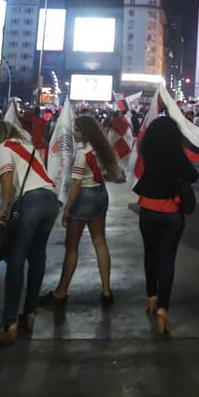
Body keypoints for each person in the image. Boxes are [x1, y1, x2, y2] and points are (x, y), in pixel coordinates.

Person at [0, 121, 60, 344]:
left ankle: (9, 322)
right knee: (37, 256)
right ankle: (29, 313)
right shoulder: (30, 147)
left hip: (30, 202)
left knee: (16, 261)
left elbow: (7, 176)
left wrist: (5, 207)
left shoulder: (3, 148)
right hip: (51, 200)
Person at [133, 115, 198, 336]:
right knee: (167, 259)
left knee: (150, 254)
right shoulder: (176, 153)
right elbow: (193, 175)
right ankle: (163, 308)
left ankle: (151, 296)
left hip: (148, 209)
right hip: (171, 211)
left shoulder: (147, 150)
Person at [44, 115, 120, 304]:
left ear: (85, 132)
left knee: (71, 247)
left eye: (76, 130)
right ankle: (106, 291)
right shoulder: (102, 149)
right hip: (101, 195)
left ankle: (61, 292)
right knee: (100, 241)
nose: (73, 133)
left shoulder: (81, 154)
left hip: (84, 197)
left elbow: (76, 185)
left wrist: (67, 210)